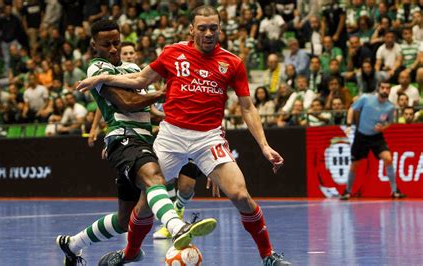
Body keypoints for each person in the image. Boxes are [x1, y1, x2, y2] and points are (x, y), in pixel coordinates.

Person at [77, 6, 291, 265]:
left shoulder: (232, 63)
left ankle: (268, 256)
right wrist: (104, 77)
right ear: (192, 30)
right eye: (202, 28)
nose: (208, 33)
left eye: (213, 28)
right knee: (145, 204)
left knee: (241, 195)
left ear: (220, 29)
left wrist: (265, 146)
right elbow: (140, 80)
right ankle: (130, 253)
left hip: (208, 139)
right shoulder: (173, 53)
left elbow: (247, 106)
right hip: (171, 136)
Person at [56, 20, 217, 266]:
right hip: (124, 137)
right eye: (106, 44)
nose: (112, 49)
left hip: (144, 138)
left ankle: (72, 244)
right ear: (93, 45)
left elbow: (148, 107)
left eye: (116, 43)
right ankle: (177, 227)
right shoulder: (96, 68)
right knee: (154, 177)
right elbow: (126, 102)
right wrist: (163, 93)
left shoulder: (132, 66)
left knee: (125, 220)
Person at [341, 82, 407, 200]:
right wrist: (349, 125)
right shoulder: (366, 98)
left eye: (388, 88)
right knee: (355, 164)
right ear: (378, 89)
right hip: (361, 136)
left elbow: (389, 122)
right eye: (383, 88)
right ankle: (347, 191)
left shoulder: (390, 107)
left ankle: (394, 190)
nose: (385, 90)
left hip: (376, 137)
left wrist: (383, 128)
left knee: (388, 158)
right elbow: (352, 109)